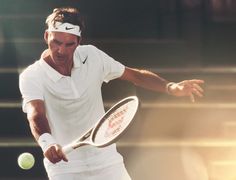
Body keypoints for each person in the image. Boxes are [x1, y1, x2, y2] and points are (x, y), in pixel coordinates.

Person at [19, 7, 204, 180]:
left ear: (78, 42)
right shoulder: (32, 75)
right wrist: (47, 143)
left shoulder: (92, 56)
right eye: (56, 42)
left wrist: (170, 87)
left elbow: (135, 76)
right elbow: (36, 114)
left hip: (108, 162)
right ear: (46, 36)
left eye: (69, 44)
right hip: (65, 168)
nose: (61, 50)